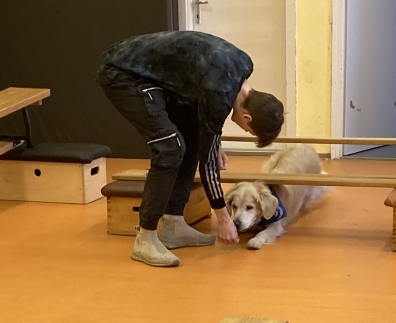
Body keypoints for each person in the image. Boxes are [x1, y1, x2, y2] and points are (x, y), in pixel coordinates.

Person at [96, 31, 284, 267]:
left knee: (192, 139)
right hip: (123, 72)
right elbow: (208, 165)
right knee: (170, 148)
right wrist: (223, 218)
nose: (245, 131)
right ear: (247, 117)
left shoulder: (243, 67)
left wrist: (214, 142)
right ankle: (145, 238)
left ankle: (173, 224)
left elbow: (207, 113)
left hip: (150, 72)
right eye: (249, 131)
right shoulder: (220, 92)